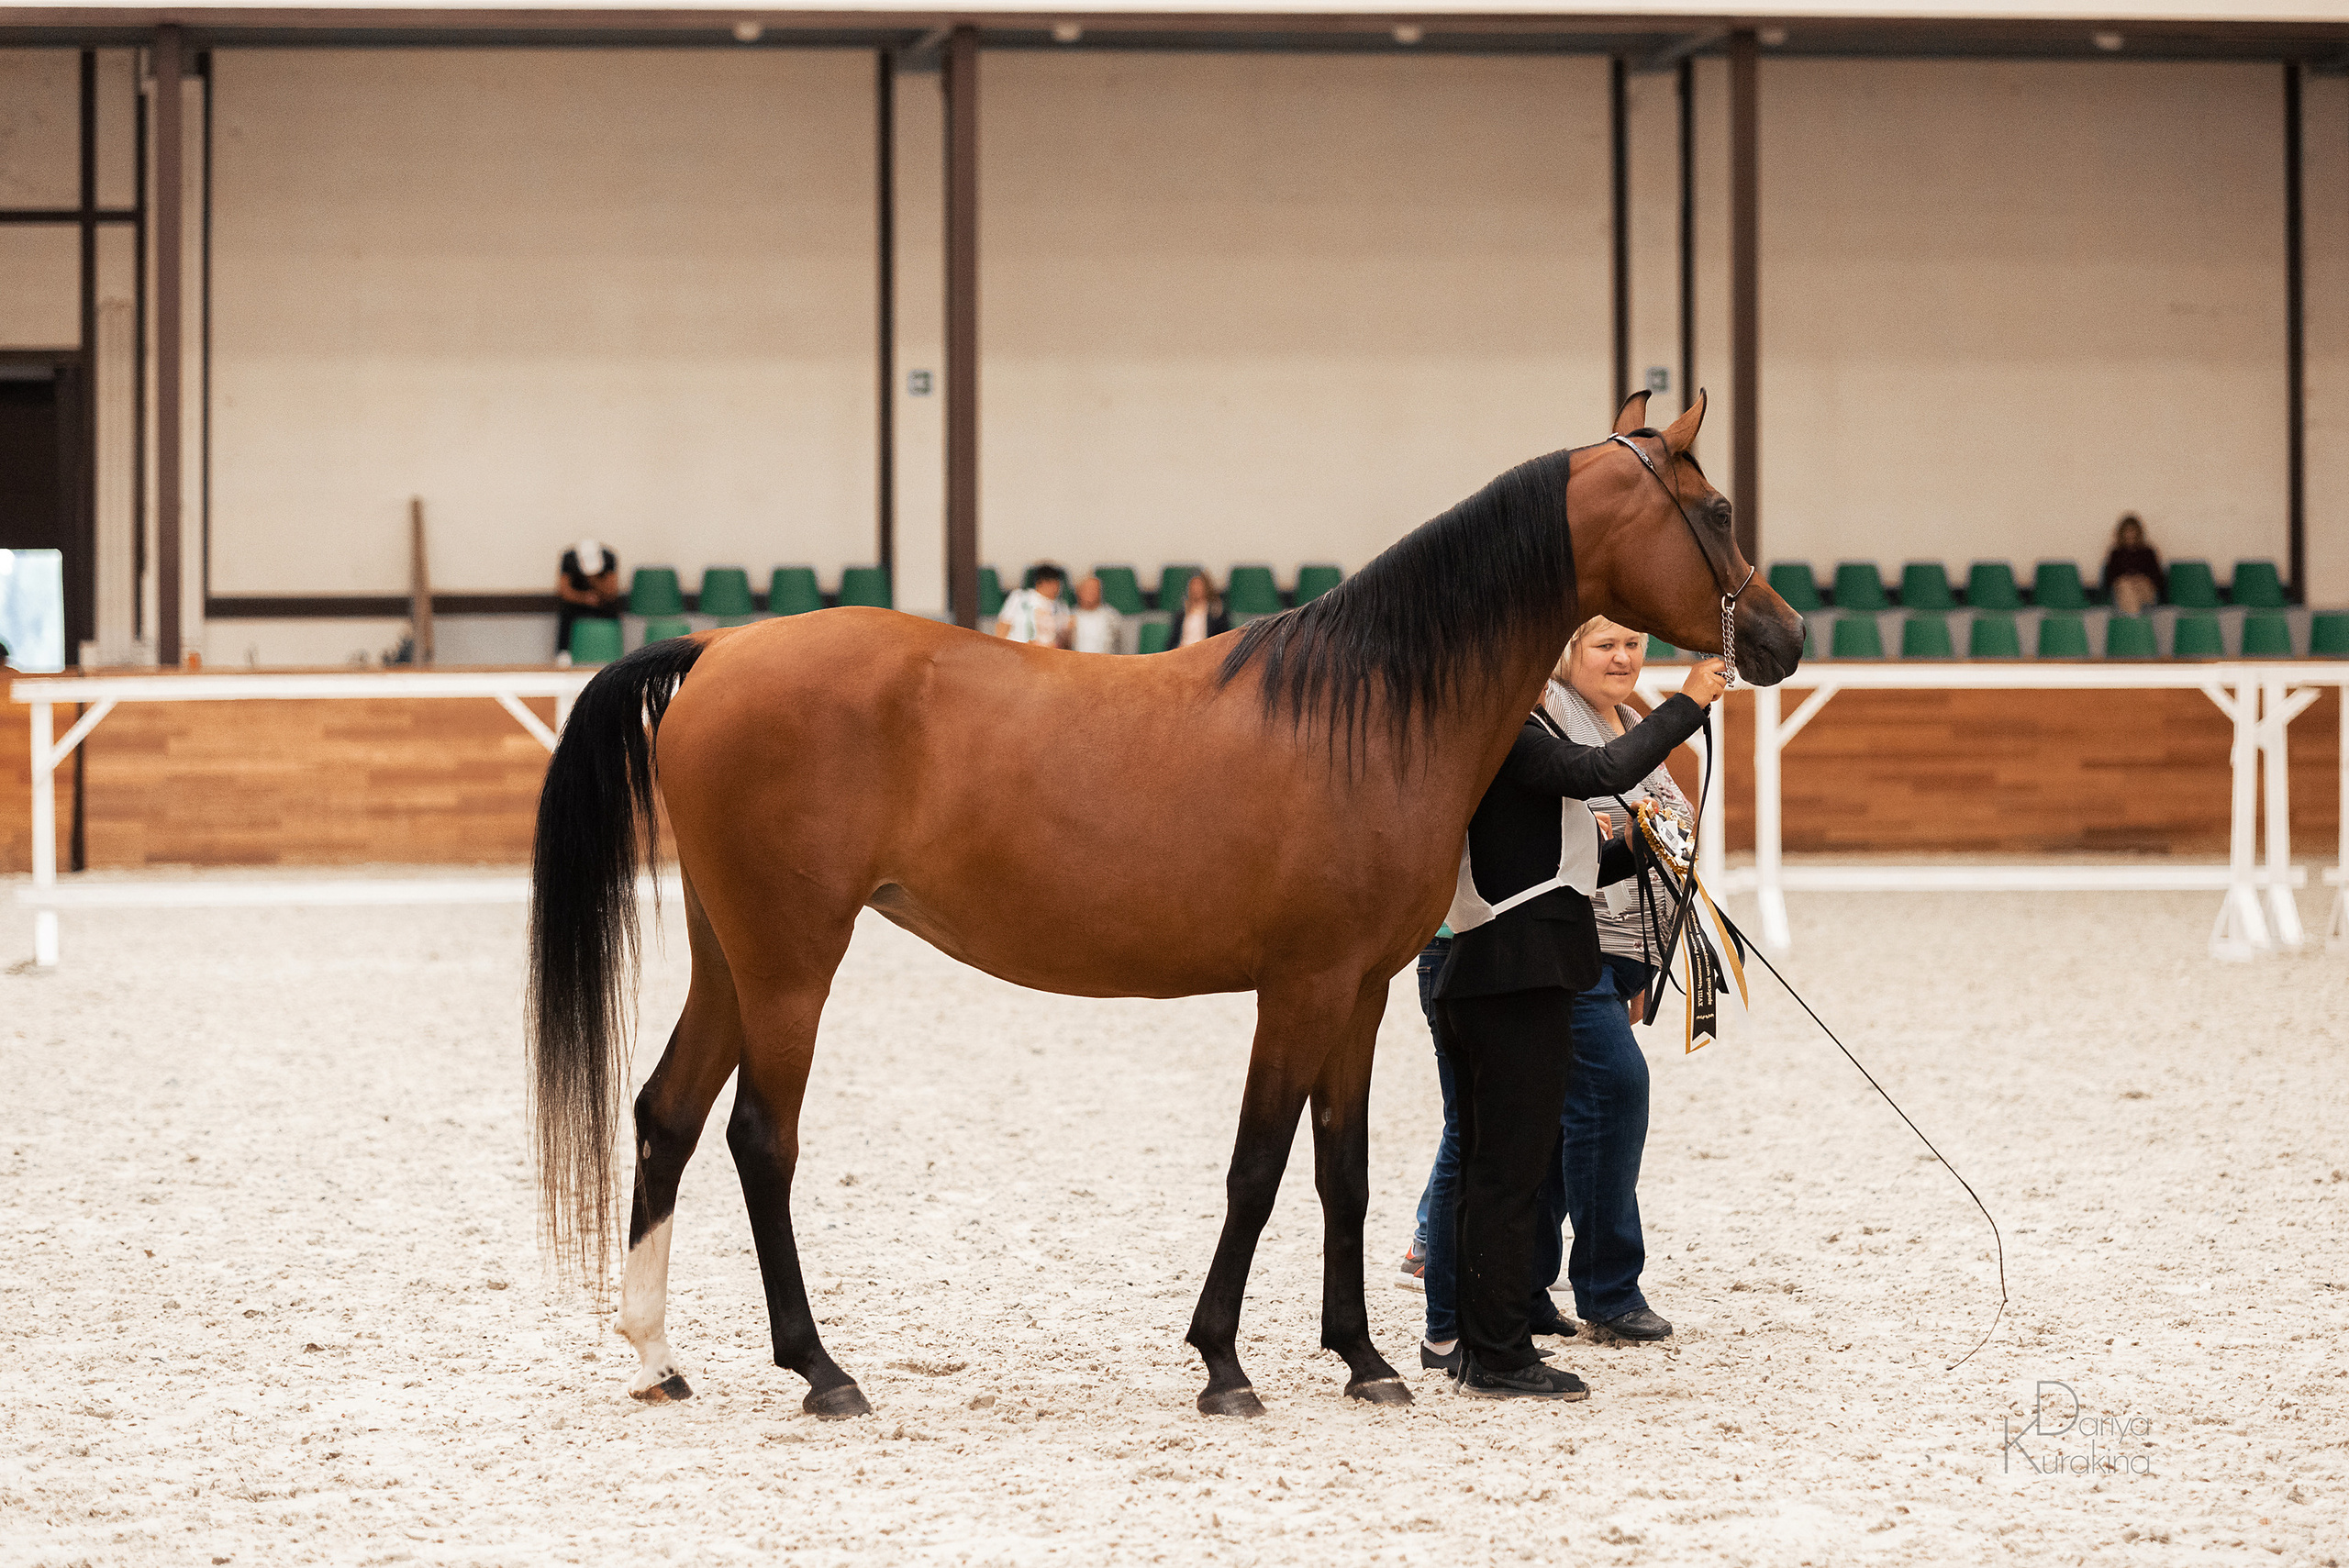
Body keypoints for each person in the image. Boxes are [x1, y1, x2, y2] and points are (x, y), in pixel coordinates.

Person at [1425, 652, 1728, 1400]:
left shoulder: (1508, 735)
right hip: (1513, 972)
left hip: (1516, 967)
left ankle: (1485, 1332)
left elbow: (1564, 864)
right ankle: (1494, 1352)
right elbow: (1603, 769)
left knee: (1509, 1162)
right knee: (1503, 1170)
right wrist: (1689, 703)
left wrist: (1639, 848)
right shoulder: (1510, 735)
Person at [555, 539, 623, 658]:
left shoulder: (608, 558)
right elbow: (564, 592)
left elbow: (611, 592)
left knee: (613, 609)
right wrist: (584, 598)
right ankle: (563, 653)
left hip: (601, 602)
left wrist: (593, 579)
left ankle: (614, 652)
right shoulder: (569, 559)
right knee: (566, 612)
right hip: (577, 604)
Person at [2100, 515, 2164, 617]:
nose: (2130, 534)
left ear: (2138, 533)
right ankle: (2136, 619)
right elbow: (2110, 578)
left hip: (2145, 589)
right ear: (2121, 533)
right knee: (2126, 586)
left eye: (2133, 531)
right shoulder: (2116, 554)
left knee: (2138, 587)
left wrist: (2141, 579)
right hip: (2123, 589)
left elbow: (2158, 578)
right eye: (2127, 531)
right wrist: (2127, 579)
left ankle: (2133, 620)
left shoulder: (2148, 552)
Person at [996, 564, 1072, 648]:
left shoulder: (1061, 607)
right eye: (1050, 584)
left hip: (1045, 651)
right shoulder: (1020, 598)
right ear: (1040, 583)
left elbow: (1064, 639)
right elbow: (1003, 625)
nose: (1055, 588)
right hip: (1017, 649)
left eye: (1057, 584)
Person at [1171, 571, 1229, 649]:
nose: (1196, 589)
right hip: (1183, 651)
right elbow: (1172, 641)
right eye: (1193, 585)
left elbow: (1223, 640)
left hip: (1206, 651)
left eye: (1199, 585)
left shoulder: (1216, 614)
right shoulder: (1181, 615)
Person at [1069, 574, 1124, 655]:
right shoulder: (1069, 616)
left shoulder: (1112, 617)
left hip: (1105, 660)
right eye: (1087, 589)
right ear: (1078, 592)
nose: (1091, 592)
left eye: (1095, 589)